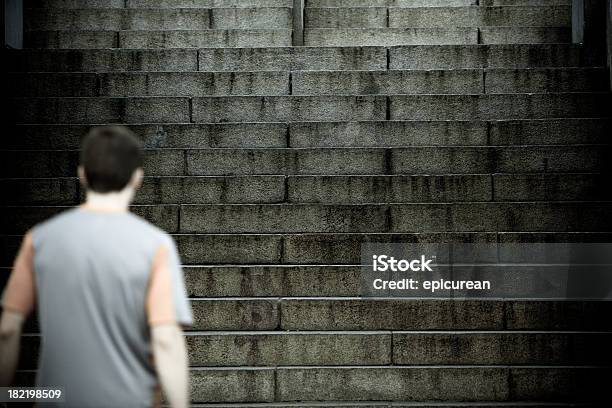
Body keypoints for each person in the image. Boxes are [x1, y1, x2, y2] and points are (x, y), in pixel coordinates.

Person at [0, 126, 192, 408]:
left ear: (82, 175)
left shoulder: (40, 240)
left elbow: (7, 329)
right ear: (137, 178)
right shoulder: (155, 246)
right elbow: (166, 339)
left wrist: (5, 395)